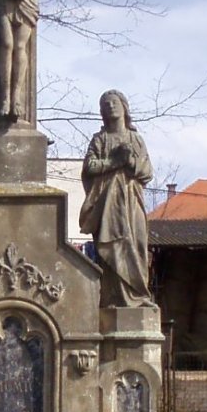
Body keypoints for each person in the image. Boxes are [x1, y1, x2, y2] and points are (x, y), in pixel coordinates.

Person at [80, 90, 153, 307]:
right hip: (107, 206)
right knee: (111, 249)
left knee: (137, 244)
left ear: (124, 107)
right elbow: (89, 168)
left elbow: (147, 171)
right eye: (105, 104)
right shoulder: (99, 140)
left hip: (131, 202)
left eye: (114, 102)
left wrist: (130, 162)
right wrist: (114, 161)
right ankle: (113, 298)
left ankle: (139, 295)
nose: (110, 106)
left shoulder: (135, 139)